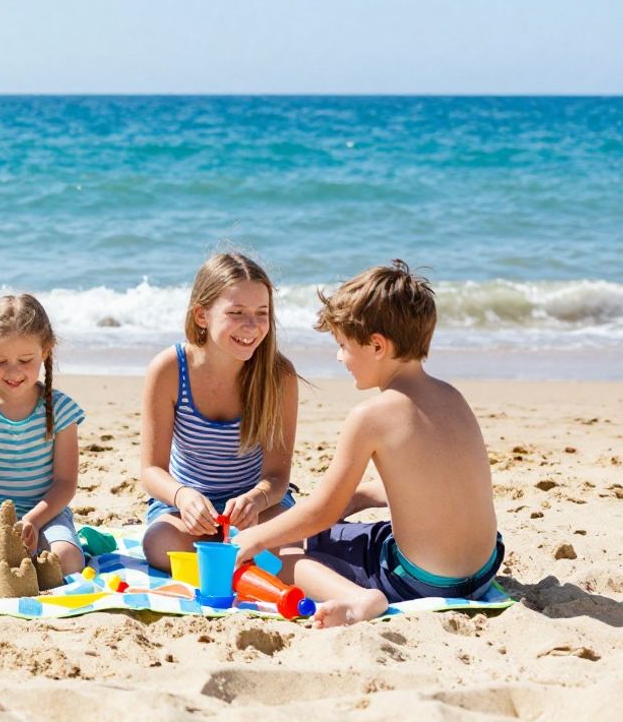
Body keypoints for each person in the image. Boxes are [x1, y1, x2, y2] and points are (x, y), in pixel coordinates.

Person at [233, 260, 503, 627]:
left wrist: (255, 538)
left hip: (418, 582)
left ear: (377, 346)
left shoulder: (371, 416)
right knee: (355, 530)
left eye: (343, 345)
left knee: (287, 549)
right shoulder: (452, 397)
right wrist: (359, 498)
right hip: (483, 570)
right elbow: (441, 481)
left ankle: (359, 599)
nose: (339, 356)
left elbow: (321, 512)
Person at [139, 252, 299, 573]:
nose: (251, 326)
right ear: (202, 315)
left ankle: (229, 559)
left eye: (261, 312)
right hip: (185, 506)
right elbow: (151, 471)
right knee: (159, 545)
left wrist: (255, 499)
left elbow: (277, 478)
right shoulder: (170, 369)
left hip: (257, 505)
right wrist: (183, 497)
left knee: (294, 542)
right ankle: (237, 562)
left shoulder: (278, 376)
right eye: (236, 312)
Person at [0, 294, 86, 575]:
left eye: (25, 359)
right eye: (0, 361)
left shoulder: (61, 410)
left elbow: (65, 483)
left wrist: (35, 521)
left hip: (47, 513)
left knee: (69, 561)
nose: (13, 371)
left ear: (45, 351)